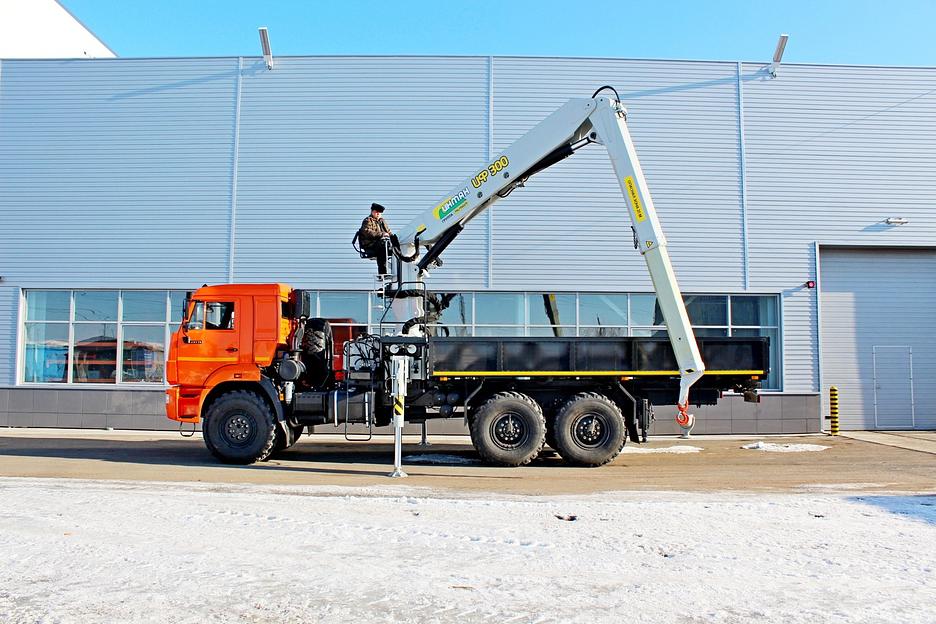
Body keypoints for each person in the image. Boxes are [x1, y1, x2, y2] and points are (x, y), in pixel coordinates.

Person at [357, 202, 393, 274]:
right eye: (376, 212)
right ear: (372, 211)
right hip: (370, 245)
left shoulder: (382, 221)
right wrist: (381, 234)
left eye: (379, 213)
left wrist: (394, 240)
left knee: (393, 246)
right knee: (383, 246)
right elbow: (367, 232)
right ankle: (382, 272)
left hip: (380, 244)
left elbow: (389, 232)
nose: (378, 214)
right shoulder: (367, 221)